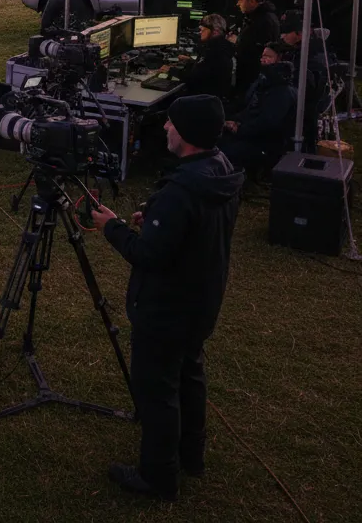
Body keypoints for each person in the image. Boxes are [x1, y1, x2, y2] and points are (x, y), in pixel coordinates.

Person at [91, 94, 243, 502]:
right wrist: (155, 213)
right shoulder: (219, 171)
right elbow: (191, 229)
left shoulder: (183, 189)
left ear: (187, 134)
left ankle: (158, 478)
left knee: (156, 391)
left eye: (171, 123)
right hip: (200, 304)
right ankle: (191, 455)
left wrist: (112, 226)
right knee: (189, 376)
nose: (164, 128)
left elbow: (148, 255)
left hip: (166, 310)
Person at [219, 43, 297, 170]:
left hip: (264, 145)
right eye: (262, 56)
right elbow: (247, 107)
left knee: (219, 148)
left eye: (267, 56)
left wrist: (239, 128)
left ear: (280, 59)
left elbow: (268, 125)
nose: (262, 59)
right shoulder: (262, 80)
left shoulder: (283, 91)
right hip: (250, 133)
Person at [280, 10, 329, 151]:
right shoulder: (300, 49)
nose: (282, 37)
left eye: (286, 33)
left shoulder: (309, 55)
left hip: (306, 110)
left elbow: (309, 90)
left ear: (300, 34)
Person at [164, 14, 234, 101]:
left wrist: (170, 70)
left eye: (203, 30)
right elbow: (206, 69)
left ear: (215, 32)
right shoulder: (223, 46)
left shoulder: (213, 51)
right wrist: (191, 61)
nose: (200, 32)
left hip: (202, 101)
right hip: (213, 98)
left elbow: (192, 77)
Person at [231, 0, 280, 96]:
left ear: (252, 1)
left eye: (240, 0)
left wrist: (237, 41)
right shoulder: (257, 19)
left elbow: (258, 50)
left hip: (252, 81)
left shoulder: (264, 21)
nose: (238, 4)